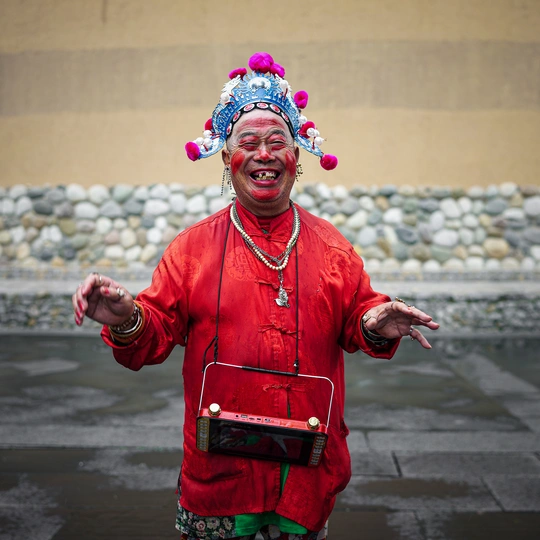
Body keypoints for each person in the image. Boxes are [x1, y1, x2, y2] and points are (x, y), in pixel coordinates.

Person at [72, 52, 439, 540]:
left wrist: (374, 322)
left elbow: (359, 313)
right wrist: (125, 317)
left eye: (277, 142)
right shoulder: (192, 249)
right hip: (219, 476)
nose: (264, 154)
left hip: (305, 472)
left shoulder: (332, 247)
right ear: (228, 160)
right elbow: (153, 334)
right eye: (248, 143)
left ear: (296, 157)